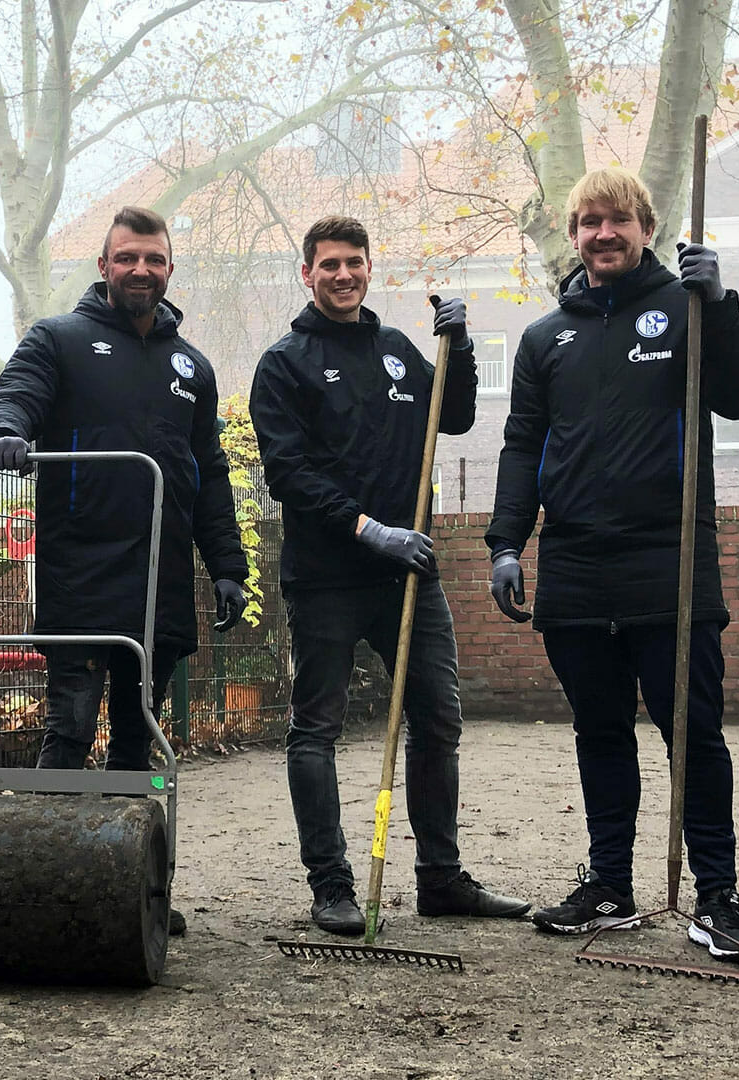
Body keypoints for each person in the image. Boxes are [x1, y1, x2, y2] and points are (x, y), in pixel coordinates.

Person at [485, 166, 739, 963]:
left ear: (645, 226)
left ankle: (717, 897)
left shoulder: (686, 310)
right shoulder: (548, 338)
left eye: (616, 219)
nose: (601, 234)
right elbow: (521, 444)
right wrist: (508, 542)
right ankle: (610, 884)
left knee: (694, 733)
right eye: (586, 222)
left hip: (669, 558)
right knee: (599, 730)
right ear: (573, 236)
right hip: (575, 563)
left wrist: (720, 304)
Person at [248, 214, 530, 937]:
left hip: (409, 577)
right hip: (327, 579)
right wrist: (371, 530)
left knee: (437, 718)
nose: (344, 275)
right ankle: (332, 885)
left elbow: (456, 417)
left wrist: (459, 345)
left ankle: (440, 878)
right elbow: (288, 474)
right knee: (317, 728)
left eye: (355, 263)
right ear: (307, 274)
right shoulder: (285, 363)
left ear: (370, 268)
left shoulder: (400, 349)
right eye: (330, 265)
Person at [0, 206, 250, 933]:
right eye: (126, 257)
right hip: (79, 571)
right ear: (103, 266)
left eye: (153, 259)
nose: (140, 269)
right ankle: (43, 878)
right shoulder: (59, 340)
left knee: (139, 732)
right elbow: (17, 397)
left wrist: (227, 564)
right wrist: (6, 431)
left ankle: (134, 886)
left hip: (158, 581)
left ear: (169, 269)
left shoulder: (191, 366)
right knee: (68, 724)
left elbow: (212, 472)